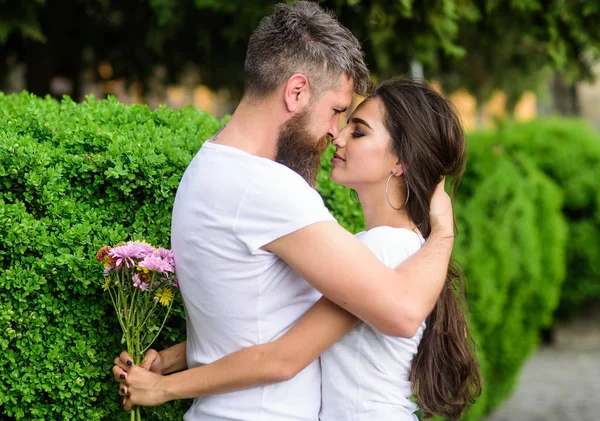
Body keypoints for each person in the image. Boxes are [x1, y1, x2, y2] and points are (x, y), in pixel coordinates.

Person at [113, 2, 456, 421]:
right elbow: (394, 314)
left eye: (355, 127)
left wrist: (170, 364)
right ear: (296, 92)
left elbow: (265, 316)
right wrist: (443, 233)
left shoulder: (207, 167)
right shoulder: (268, 188)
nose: (336, 133)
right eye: (336, 112)